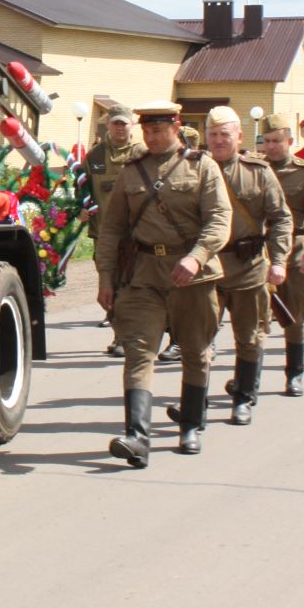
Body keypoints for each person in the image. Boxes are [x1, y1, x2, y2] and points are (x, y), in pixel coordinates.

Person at [94, 102, 230, 464]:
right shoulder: (131, 172)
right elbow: (111, 230)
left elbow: (219, 219)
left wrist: (197, 256)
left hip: (192, 274)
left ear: (176, 127)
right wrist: (106, 277)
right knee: (139, 352)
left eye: (159, 130)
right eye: (147, 131)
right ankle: (137, 437)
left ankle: (190, 423)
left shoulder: (202, 166)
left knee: (195, 350)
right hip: (143, 274)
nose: (152, 137)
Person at [191, 105, 292, 427]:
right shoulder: (191, 170)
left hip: (248, 269)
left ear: (239, 136)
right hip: (207, 271)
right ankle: (197, 403)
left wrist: (279, 260)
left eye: (225, 134)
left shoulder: (258, 172)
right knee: (199, 340)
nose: (219, 140)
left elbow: (281, 218)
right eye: (213, 134)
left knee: (249, 338)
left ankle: (243, 398)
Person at [258, 112, 304, 396]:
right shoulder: (255, 168)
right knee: (255, 319)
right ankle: (249, 381)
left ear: (289, 140)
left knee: (295, 315)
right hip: (260, 251)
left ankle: (294, 374)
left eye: (277, 140)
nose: (272, 146)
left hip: (296, 249)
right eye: (267, 141)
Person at [84, 110, 145, 358]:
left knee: (133, 285)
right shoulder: (95, 155)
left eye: (124, 123)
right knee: (109, 286)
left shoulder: (142, 154)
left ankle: (138, 335)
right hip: (104, 234)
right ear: (108, 125)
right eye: (115, 123)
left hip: (136, 236)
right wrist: (81, 208)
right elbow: (82, 187)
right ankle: (119, 335)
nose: (119, 128)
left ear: (132, 125)